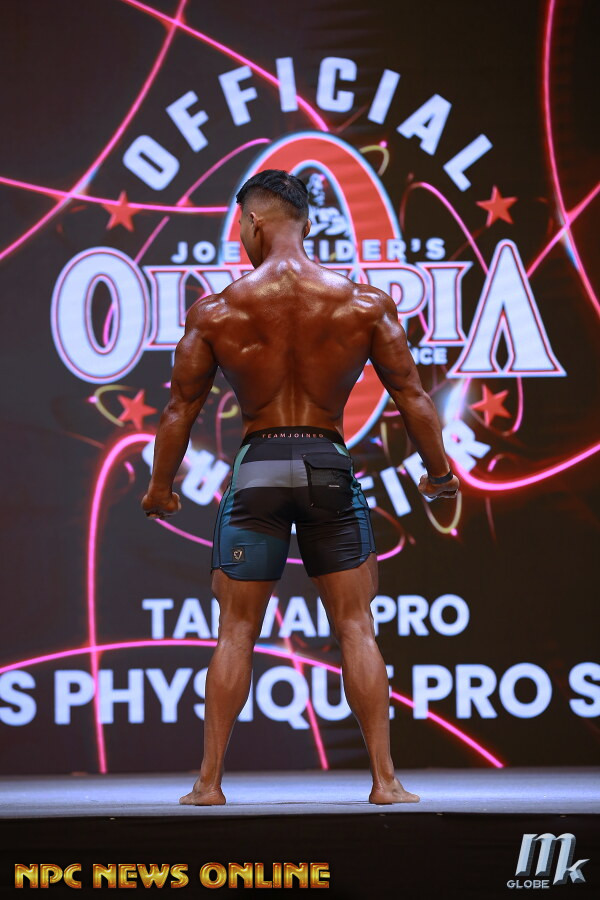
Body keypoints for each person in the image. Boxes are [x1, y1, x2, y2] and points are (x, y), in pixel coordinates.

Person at [141, 169, 459, 806]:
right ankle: (385, 782)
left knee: (236, 630)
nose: (240, 235)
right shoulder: (362, 304)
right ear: (306, 224)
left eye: (240, 224)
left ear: (255, 222)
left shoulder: (217, 310)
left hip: (258, 466)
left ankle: (208, 784)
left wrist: (160, 488)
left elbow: (180, 410)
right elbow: (412, 396)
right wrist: (441, 475)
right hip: (326, 464)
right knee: (356, 625)